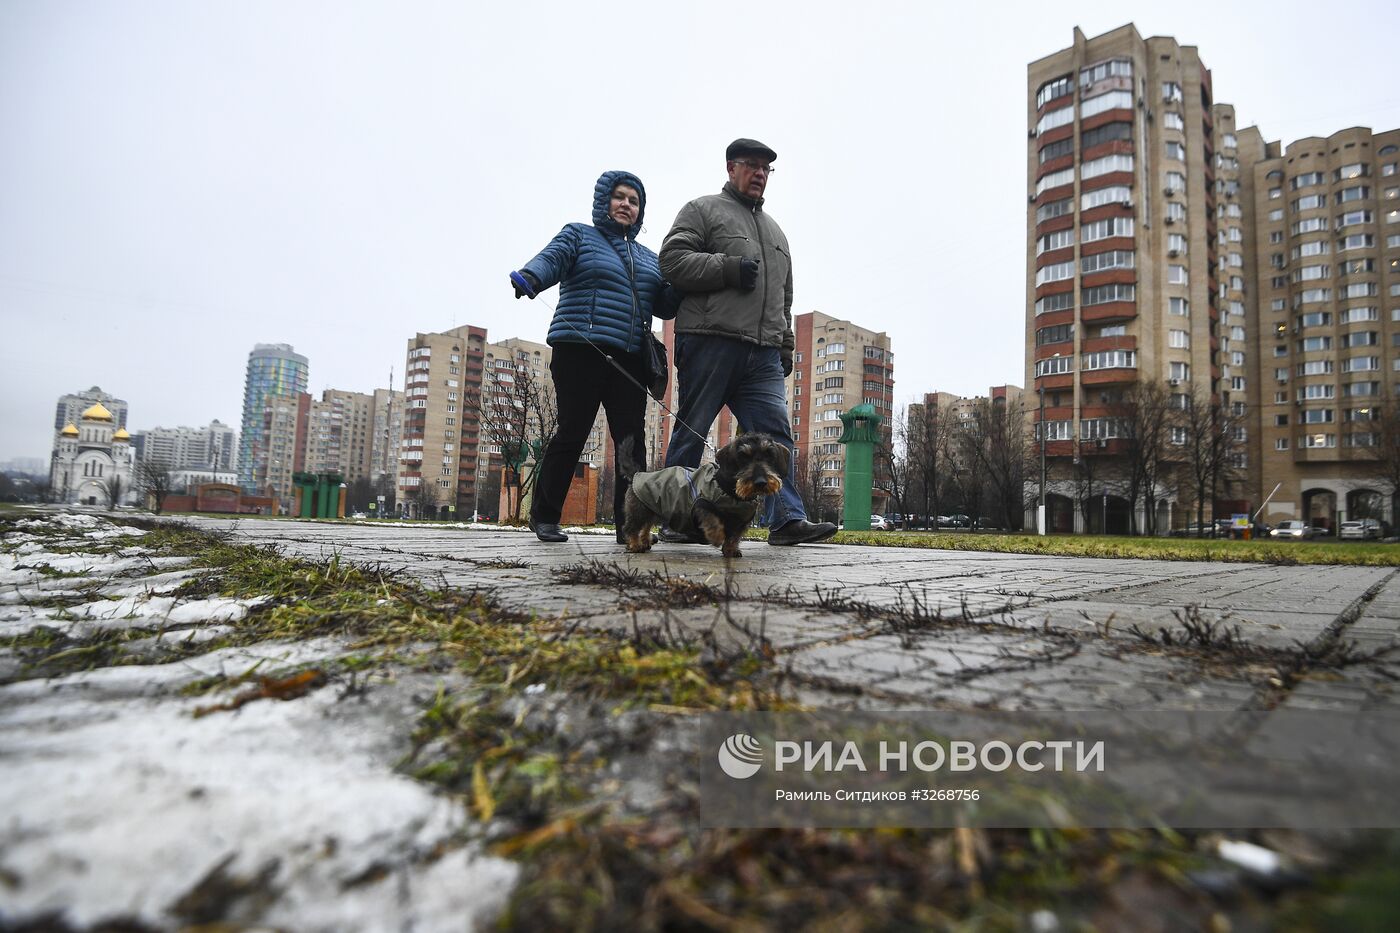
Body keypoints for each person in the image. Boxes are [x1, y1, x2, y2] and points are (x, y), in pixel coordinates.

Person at [657, 138, 836, 546]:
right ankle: (678, 518)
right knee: (692, 428)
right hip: (709, 341)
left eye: (765, 169)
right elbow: (672, 261)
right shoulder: (702, 210)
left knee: (775, 436)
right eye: (751, 165)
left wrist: (785, 344)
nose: (759, 173)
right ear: (730, 168)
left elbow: (784, 297)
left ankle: (787, 519)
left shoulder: (776, 233)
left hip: (763, 354)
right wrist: (729, 268)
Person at [510, 170, 676, 543]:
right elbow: (552, 259)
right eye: (620, 197)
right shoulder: (579, 235)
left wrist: (685, 281)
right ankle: (546, 517)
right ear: (604, 201)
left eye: (634, 201)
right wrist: (530, 277)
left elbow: (665, 305)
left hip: (629, 358)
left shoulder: (649, 259)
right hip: (580, 350)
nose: (626, 205)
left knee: (632, 443)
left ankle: (629, 526)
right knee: (573, 431)